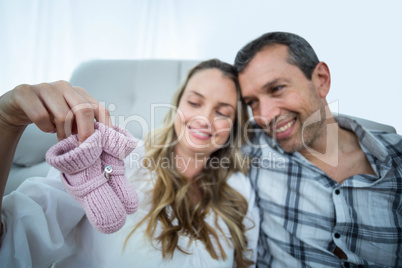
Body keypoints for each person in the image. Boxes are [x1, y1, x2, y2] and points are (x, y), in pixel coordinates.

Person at [0, 59, 259, 267]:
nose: (204, 119)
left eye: (223, 112)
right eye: (194, 102)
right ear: (177, 104)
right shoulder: (114, 156)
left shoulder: (238, 187)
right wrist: (6, 122)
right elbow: (13, 239)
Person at [234, 31, 402, 267]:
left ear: (321, 79)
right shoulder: (251, 148)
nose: (265, 115)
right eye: (252, 102)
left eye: (277, 89)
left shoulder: (396, 157)